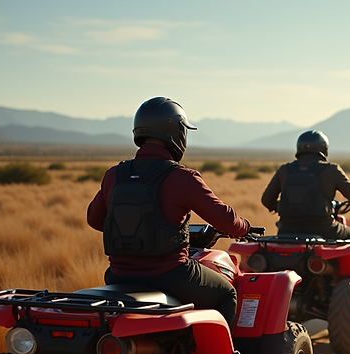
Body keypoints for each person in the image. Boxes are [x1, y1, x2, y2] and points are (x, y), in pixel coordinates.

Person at [87, 96, 250, 327]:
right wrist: (243, 226)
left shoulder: (114, 174)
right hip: (171, 276)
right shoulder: (183, 177)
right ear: (176, 132)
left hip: (118, 275)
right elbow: (225, 220)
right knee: (226, 294)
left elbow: (94, 220)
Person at [261, 130, 350, 241]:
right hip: (323, 228)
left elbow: (266, 200)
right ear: (324, 149)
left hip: (286, 229)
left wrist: (287, 207)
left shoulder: (284, 170)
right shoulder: (331, 169)